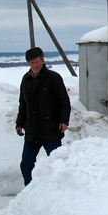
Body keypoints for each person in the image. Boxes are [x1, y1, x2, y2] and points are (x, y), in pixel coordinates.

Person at [15, 47, 71, 186]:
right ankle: (30, 191)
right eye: (32, 63)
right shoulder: (26, 79)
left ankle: (58, 189)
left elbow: (64, 102)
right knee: (26, 164)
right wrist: (19, 123)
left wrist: (63, 121)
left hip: (51, 129)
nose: (36, 65)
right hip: (32, 130)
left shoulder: (53, 78)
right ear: (28, 63)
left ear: (43, 60)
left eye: (38, 62)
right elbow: (23, 104)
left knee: (56, 163)